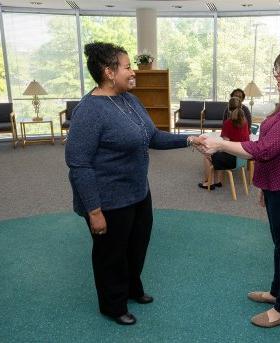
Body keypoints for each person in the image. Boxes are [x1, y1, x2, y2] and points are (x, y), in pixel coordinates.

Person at [65, 42, 203, 326]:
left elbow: (152, 137)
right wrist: (94, 211)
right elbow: (79, 165)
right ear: (108, 72)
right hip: (108, 199)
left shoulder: (130, 100)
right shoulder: (89, 111)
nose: (133, 72)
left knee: (137, 245)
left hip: (138, 191)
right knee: (110, 255)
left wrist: (189, 139)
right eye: (127, 67)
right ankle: (112, 305)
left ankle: (131, 289)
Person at [201, 50, 280, 328]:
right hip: (279, 186)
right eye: (275, 68)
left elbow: (265, 149)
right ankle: (276, 293)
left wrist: (219, 143)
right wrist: (265, 186)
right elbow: (277, 151)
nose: (277, 73)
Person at [198, 97, 250, 190]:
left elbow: (224, 144)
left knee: (207, 154)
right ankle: (218, 181)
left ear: (228, 108)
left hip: (233, 158)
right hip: (243, 157)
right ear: (241, 107)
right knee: (218, 153)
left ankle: (208, 182)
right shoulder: (245, 122)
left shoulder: (228, 123)